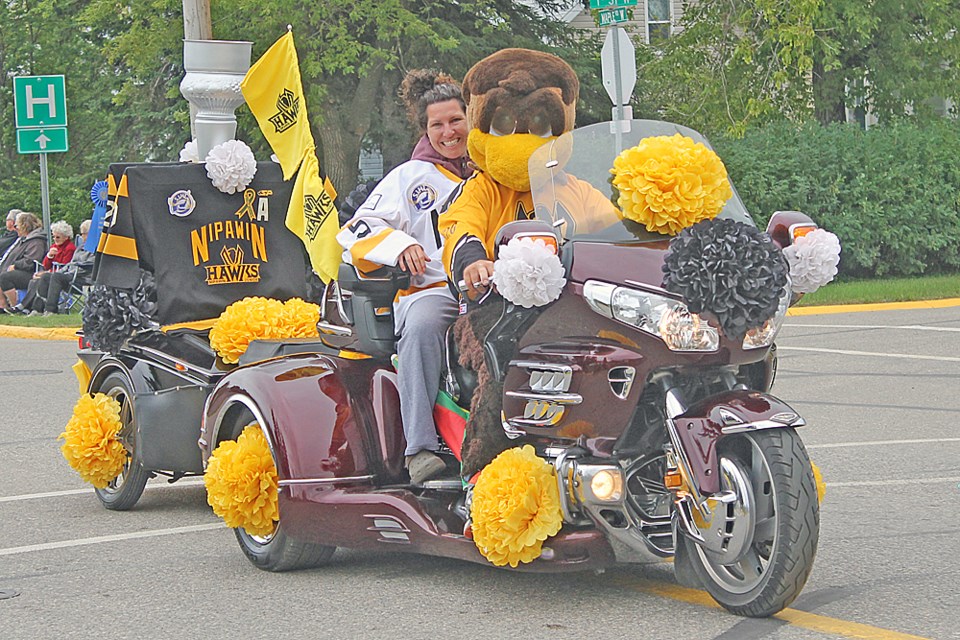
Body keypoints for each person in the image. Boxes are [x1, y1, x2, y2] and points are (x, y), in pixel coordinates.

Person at [337, 69, 472, 484]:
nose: (448, 132)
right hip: (435, 288)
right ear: (425, 130)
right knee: (420, 327)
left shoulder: (496, 170)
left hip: (495, 285)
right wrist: (400, 245)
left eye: (455, 120)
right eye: (437, 124)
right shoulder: (408, 176)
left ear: (472, 119)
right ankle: (421, 448)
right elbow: (356, 229)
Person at [19, 220, 90, 315]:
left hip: (83, 279)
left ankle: (50, 309)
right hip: (69, 274)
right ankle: (37, 309)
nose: (82, 237)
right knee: (45, 277)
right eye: (54, 237)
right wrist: (49, 256)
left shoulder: (73, 248)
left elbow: (85, 265)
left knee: (55, 277)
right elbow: (48, 266)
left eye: (83, 234)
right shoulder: (79, 247)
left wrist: (59, 272)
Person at [0, 212, 46, 312]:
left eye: (17, 226)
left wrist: (15, 265)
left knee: (4, 277)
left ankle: (14, 306)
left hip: (31, 273)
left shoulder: (36, 241)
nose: (15, 228)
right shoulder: (23, 240)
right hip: (20, 271)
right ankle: (3, 306)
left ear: (25, 226)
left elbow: (31, 261)